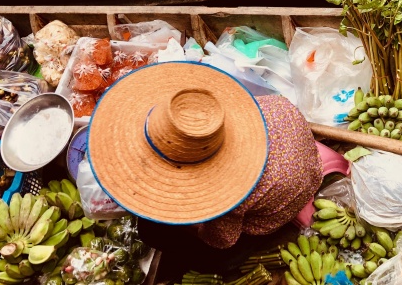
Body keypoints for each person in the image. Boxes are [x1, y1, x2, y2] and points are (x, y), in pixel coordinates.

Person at [87, 62, 324, 274]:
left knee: (206, 254)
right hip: (306, 160)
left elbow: (223, 240)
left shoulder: (234, 193)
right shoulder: (265, 106)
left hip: (287, 198)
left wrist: (191, 226)